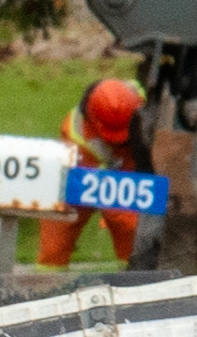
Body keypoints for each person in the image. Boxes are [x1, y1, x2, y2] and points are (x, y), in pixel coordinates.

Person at [28, 67, 149, 278]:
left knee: (131, 234)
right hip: (78, 178)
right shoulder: (77, 131)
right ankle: (47, 290)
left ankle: (135, 284)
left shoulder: (142, 101)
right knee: (55, 241)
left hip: (124, 179)